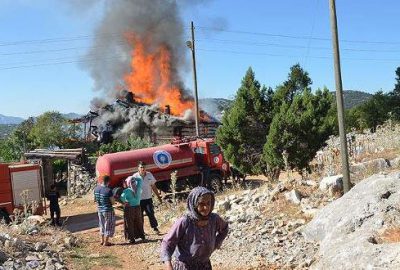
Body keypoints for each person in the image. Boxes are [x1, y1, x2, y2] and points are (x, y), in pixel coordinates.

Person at [160, 187, 229, 270]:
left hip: (204, 265)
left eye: (208, 203)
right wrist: (168, 265)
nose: (206, 208)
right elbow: (167, 243)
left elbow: (225, 229)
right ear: (194, 204)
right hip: (185, 267)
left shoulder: (214, 219)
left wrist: (216, 243)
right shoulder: (184, 222)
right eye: (201, 204)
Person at [133, 161, 162, 234]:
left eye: (144, 167)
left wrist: (158, 196)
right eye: (141, 167)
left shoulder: (149, 175)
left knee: (151, 213)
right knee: (140, 216)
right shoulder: (135, 177)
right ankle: (141, 231)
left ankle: (155, 228)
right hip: (138, 200)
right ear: (138, 168)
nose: (143, 169)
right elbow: (132, 189)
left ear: (146, 168)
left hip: (148, 198)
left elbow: (153, 186)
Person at [120, 175, 145, 244]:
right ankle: (142, 236)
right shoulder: (139, 188)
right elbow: (140, 180)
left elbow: (121, 197)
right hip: (138, 207)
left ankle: (131, 239)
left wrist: (125, 202)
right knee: (139, 222)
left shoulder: (127, 190)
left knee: (129, 223)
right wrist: (133, 177)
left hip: (130, 208)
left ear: (128, 183)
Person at [94, 175, 115, 246]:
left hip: (100, 209)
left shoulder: (96, 189)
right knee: (108, 225)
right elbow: (112, 202)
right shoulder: (108, 190)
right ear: (108, 182)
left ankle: (101, 240)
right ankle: (106, 242)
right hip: (107, 209)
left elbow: (95, 200)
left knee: (101, 224)